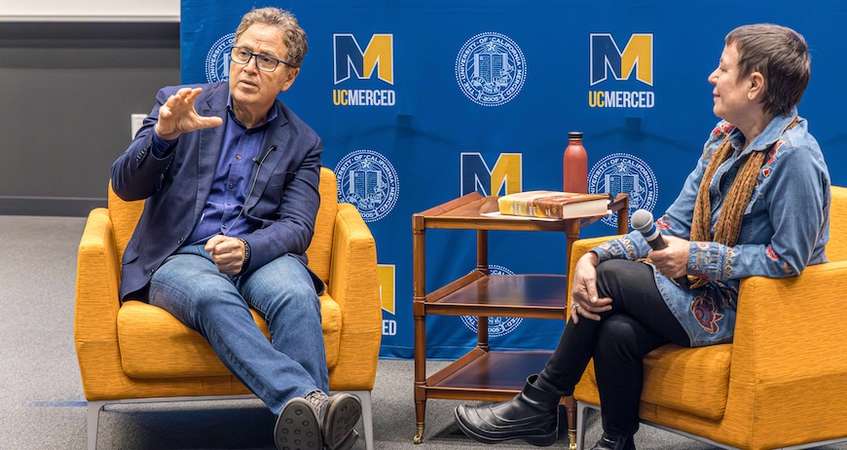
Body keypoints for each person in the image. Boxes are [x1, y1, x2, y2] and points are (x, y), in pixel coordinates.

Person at [455, 23, 830, 450]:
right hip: (703, 292)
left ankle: (541, 401)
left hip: (752, 312)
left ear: (754, 85)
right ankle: (616, 442)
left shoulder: (795, 157)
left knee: (613, 277)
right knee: (617, 330)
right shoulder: (724, 141)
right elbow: (673, 224)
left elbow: (788, 261)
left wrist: (695, 258)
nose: (712, 77)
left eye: (723, 69)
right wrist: (592, 257)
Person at [110, 7, 360, 450]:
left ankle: (310, 434)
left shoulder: (303, 141)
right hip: (180, 256)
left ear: (289, 77)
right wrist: (162, 137)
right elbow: (125, 186)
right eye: (243, 53)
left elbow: (299, 226)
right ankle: (311, 403)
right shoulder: (179, 104)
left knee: (296, 294)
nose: (249, 67)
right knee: (211, 294)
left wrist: (247, 248)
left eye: (267, 60)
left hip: (259, 255)